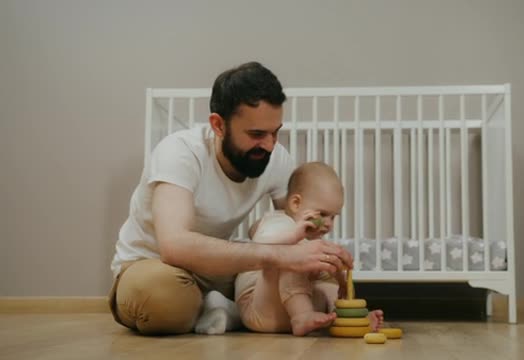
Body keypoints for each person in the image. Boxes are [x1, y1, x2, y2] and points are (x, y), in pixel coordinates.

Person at [108, 62, 353, 335]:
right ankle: (222, 309)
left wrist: (326, 263)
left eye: (275, 132)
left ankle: (220, 309)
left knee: (304, 265)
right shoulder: (179, 152)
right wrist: (280, 254)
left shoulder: (276, 158)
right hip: (157, 268)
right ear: (218, 125)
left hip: (221, 274)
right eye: (257, 134)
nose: (270, 145)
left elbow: (295, 225)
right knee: (163, 300)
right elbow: (174, 246)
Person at [234, 162, 384, 336]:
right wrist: (294, 237)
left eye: (333, 217)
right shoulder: (277, 222)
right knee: (292, 258)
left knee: (326, 281)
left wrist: (340, 281)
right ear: (296, 203)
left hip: (285, 313)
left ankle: (346, 319)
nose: (328, 224)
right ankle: (303, 315)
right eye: (322, 214)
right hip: (258, 310)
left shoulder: (310, 241)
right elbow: (261, 245)